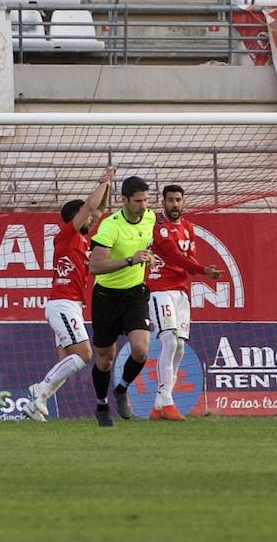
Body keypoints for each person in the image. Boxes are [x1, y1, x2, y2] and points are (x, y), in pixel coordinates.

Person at [24, 166, 115, 422]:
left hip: (70, 305)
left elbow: (98, 210)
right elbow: (90, 207)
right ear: (75, 218)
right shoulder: (67, 234)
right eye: (85, 217)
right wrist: (103, 179)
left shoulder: (83, 239)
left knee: (65, 364)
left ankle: (37, 405)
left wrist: (107, 187)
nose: (91, 220)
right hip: (62, 304)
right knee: (85, 355)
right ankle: (40, 389)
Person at [146, 184, 223, 421]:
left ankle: (160, 404)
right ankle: (166, 401)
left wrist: (198, 268)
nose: (175, 204)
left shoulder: (188, 228)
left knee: (179, 346)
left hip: (181, 292)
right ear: (164, 202)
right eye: (170, 200)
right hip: (160, 289)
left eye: (178, 200)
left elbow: (188, 258)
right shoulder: (159, 226)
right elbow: (173, 256)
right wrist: (202, 270)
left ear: (183, 201)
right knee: (169, 341)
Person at [87, 176, 156, 427]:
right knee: (105, 358)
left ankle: (122, 389)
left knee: (141, 350)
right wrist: (131, 260)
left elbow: (145, 244)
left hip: (134, 293)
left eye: (146, 200)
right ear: (123, 200)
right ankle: (102, 404)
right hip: (106, 297)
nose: (144, 205)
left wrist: (149, 257)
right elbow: (95, 266)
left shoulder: (150, 217)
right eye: (138, 201)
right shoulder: (110, 226)